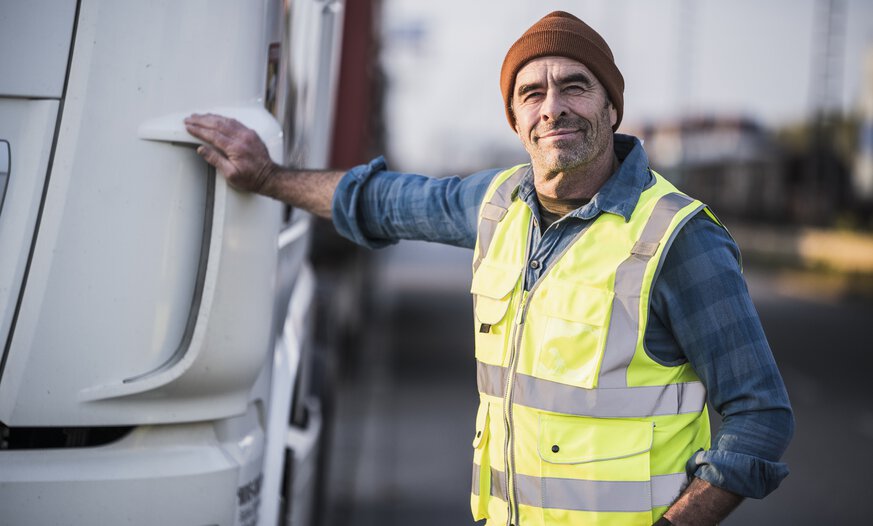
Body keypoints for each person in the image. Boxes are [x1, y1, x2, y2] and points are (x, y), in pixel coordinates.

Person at [185, 11, 793, 526]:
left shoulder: (677, 238)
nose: (553, 108)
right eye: (532, 94)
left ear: (612, 108)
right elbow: (377, 200)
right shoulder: (496, 205)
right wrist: (267, 177)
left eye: (575, 87)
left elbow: (759, 418)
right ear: (517, 122)